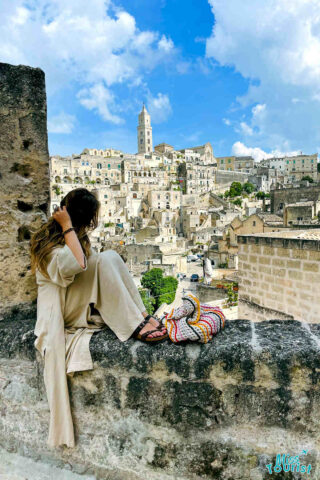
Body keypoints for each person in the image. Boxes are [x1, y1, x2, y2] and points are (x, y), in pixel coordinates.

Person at [30, 188, 167, 448]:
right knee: (104, 259)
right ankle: (135, 324)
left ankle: (141, 316)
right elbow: (75, 265)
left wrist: (71, 230)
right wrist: (68, 226)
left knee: (110, 256)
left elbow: (84, 265)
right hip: (60, 313)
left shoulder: (76, 239)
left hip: (73, 303)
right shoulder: (46, 244)